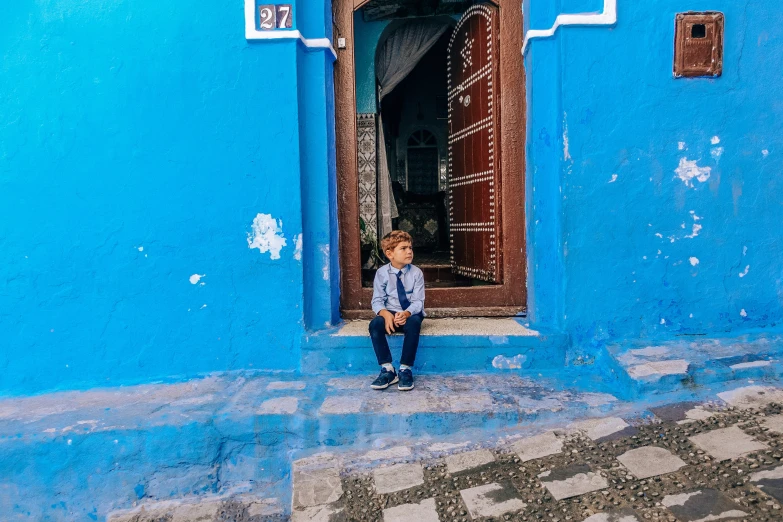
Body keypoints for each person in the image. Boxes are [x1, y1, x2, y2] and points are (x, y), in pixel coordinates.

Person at [369, 230, 425, 391]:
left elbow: (418, 302)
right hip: (390, 312)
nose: (409, 251)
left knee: (414, 323)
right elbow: (377, 300)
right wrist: (385, 314)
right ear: (389, 253)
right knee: (375, 325)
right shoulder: (381, 273)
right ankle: (387, 369)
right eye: (403, 248)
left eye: (410, 248)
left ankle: (405, 369)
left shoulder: (416, 273)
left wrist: (406, 313)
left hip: (410, 312)